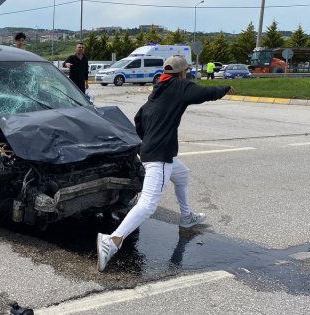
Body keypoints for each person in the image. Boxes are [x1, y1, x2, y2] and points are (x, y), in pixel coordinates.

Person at [96, 55, 234, 272]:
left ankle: (187, 216)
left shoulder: (156, 91)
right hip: (159, 156)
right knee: (148, 204)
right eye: (187, 72)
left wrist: (149, 137)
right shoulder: (179, 85)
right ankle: (113, 241)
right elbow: (202, 93)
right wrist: (224, 88)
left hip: (152, 150)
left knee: (182, 175)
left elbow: (139, 118)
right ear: (182, 72)